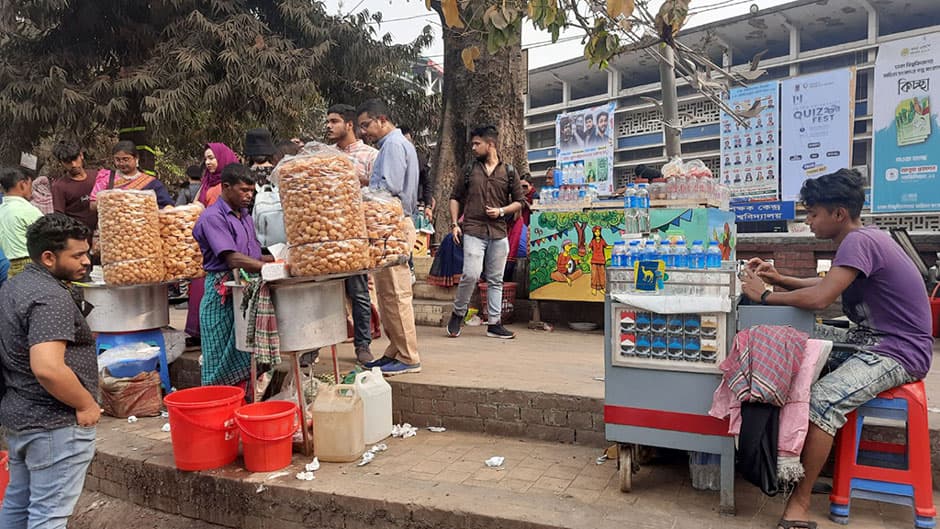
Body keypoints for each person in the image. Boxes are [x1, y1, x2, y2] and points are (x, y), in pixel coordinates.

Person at [740, 169, 933, 529]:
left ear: (838, 214)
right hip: (875, 339)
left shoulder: (859, 241)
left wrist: (765, 296)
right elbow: (830, 282)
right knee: (805, 350)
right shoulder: (864, 239)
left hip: (899, 351)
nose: (809, 222)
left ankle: (798, 506)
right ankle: (804, 467)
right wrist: (780, 278)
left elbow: (821, 297)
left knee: (823, 399)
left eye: (813, 214)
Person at [0, 213, 97, 529]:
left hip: (20, 416)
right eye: (78, 255)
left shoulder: (14, 287)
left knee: (18, 503)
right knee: (48, 516)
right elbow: (48, 367)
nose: (87, 260)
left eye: (87, 251)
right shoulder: (50, 296)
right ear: (48, 257)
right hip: (53, 424)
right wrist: (85, 404)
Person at [356, 98, 421, 375]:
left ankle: (408, 357)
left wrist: (363, 193)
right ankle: (394, 349)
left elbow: (388, 189)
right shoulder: (391, 145)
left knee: (396, 293)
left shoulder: (393, 145)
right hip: (388, 226)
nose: (364, 132)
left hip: (391, 225)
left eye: (366, 125)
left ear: (382, 119)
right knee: (386, 293)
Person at [192, 164, 271, 387]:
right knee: (218, 354)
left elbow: (251, 253)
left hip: (246, 290)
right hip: (222, 293)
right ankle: (218, 402)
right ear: (226, 187)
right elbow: (233, 258)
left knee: (248, 349)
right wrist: (267, 269)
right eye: (243, 190)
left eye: (251, 191)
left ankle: (244, 403)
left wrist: (279, 259)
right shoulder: (212, 217)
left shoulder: (244, 215)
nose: (249, 196)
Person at [446, 125, 525, 340]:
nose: (473, 147)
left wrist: (501, 211)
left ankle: (494, 323)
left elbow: (520, 202)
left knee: (495, 279)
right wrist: (454, 224)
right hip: (472, 229)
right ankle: (458, 313)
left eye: (477, 143)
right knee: (471, 274)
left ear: (490, 145)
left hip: (499, 232)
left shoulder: (509, 171)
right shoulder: (469, 169)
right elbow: (455, 197)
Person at [325, 103, 378, 364]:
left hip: (356, 234)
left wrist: (352, 177)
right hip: (327, 234)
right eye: (328, 122)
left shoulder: (370, 155)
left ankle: (363, 345)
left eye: (334, 121)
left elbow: (378, 192)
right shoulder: (324, 156)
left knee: (358, 292)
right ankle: (315, 348)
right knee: (324, 292)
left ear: (349, 125)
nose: (329, 126)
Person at [187, 143, 239, 344]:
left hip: (223, 240)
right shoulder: (206, 183)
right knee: (200, 286)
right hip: (204, 241)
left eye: (212, 158)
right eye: (206, 159)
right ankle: (198, 332)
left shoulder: (229, 184)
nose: (208, 162)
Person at [89, 141, 174, 209]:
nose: (121, 163)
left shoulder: (151, 183)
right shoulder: (106, 178)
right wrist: (114, 202)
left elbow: (167, 207)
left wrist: (138, 207)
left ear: (136, 158)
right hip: (112, 227)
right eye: (117, 160)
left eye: (126, 159)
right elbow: (92, 205)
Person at [0, 168, 44, 279]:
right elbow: (47, 235)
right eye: (30, 185)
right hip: (30, 263)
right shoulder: (28, 210)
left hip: (8, 264)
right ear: (23, 184)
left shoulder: (2, 210)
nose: (31, 190)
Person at [51, 141, 97, 235]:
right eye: (68, 162)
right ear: (61, 163)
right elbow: (60, 217)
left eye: (75, 159)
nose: (73, 165)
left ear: (81, 155)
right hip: (78, 237)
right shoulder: (59, 186)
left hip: (103, 234)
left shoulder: (97, 176)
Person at [400, 126, 434, 216]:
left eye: (409, 141)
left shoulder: (420, 159)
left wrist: (428, 205)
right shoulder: (392, 160)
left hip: (417, 206)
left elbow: (427, 184)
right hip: (396, 206)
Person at [588, 225, 609, 295]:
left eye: (598, 232)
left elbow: (607, 246)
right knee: (594, 274)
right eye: (596, 232)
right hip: (594, 260)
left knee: (602, 274)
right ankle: (594, 288)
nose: (597, 233)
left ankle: (602, 288)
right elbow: (589, 247)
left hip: (601, 260)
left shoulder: (602, 240)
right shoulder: (593, 241)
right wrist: (589, 249)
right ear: (594, 233)